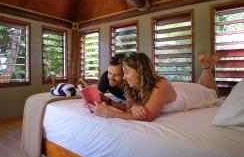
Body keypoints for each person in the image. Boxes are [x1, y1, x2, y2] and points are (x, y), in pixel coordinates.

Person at [90, 52, 222, 121]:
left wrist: (108, 113)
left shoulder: (161, 85)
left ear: (140, 72)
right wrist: (135, 106)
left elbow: (146, 117)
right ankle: (207, 67)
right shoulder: (132, 85)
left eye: (127, 72)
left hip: (189, 95)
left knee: (211, 93)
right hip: (173, 91)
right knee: (199, 85)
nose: (124, 77)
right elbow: (128, 109)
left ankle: (207, 67)